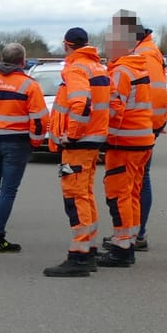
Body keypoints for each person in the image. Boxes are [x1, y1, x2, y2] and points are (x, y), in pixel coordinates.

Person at [42, 28, 110, 277]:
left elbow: (81, 104)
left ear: (66, 45)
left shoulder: (76, 68)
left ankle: (79, 256)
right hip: (93, 140)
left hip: (79, 143)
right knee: (86, 194)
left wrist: (71, 134)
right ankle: (88, 249)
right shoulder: (97, 67)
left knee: (75, 196)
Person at [0, 42, 48, 253]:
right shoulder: (29, 85)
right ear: (22, 61)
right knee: (8, 190)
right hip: (17, 142)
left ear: (2, 59)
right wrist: (35, 141)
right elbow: (39, 119)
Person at [99, 12, 156, 267]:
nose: (106, 47)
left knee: (119, 194)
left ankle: (122, 248)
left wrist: (100, 134)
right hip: (141, 139)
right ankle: (128, 243)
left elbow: (114, 110)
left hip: (125, 142)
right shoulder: (138, 67)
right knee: (131, 194)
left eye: (109, 43)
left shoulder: (121, 71)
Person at [129, 23, 167, 250]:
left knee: (140, 179)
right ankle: (133, 232)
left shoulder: (145, 54)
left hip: (142, 128)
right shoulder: (146, 51)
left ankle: (137, 234)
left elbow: (154, 94)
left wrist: (148, 125)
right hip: (146, 126)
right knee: (138, 179)